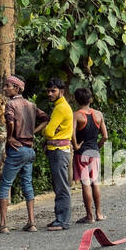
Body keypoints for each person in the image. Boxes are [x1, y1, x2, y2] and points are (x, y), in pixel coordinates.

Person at [0, 75, 46, 233]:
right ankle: (31, 222)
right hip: (29, 150)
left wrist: (10, 137)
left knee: (5, 185)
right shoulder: (31, 105)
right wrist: (32, 133)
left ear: (17, 88)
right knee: (27, 185)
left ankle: (2, 224)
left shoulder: (11, 104)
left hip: (17, 150)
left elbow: (10, 121)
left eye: (7, 86)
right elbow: (46, 119)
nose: (4, 88)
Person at [72, 87, 108, 223]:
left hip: (81, 154)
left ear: (76, 100)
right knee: (95, 183)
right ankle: (99, 213)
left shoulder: (76, 115)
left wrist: (76, 146)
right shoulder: (98, 114)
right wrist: (97, 147)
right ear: (90, 99)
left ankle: (89, 216)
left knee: (86, 184)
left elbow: (72, 133)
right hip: (94, 152)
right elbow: (105, 136)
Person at [42, 78, 74, 231]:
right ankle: (59, 218)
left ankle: (63, 221)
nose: (50, 93)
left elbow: (48, 132)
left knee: (62, 187)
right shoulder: (59, 106)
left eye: (53, 91)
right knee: (59, 186)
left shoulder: (60, 108)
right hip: (59, 151)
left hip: (59, 152)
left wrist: (44, 131)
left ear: (61, 92)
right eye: (48, 91)